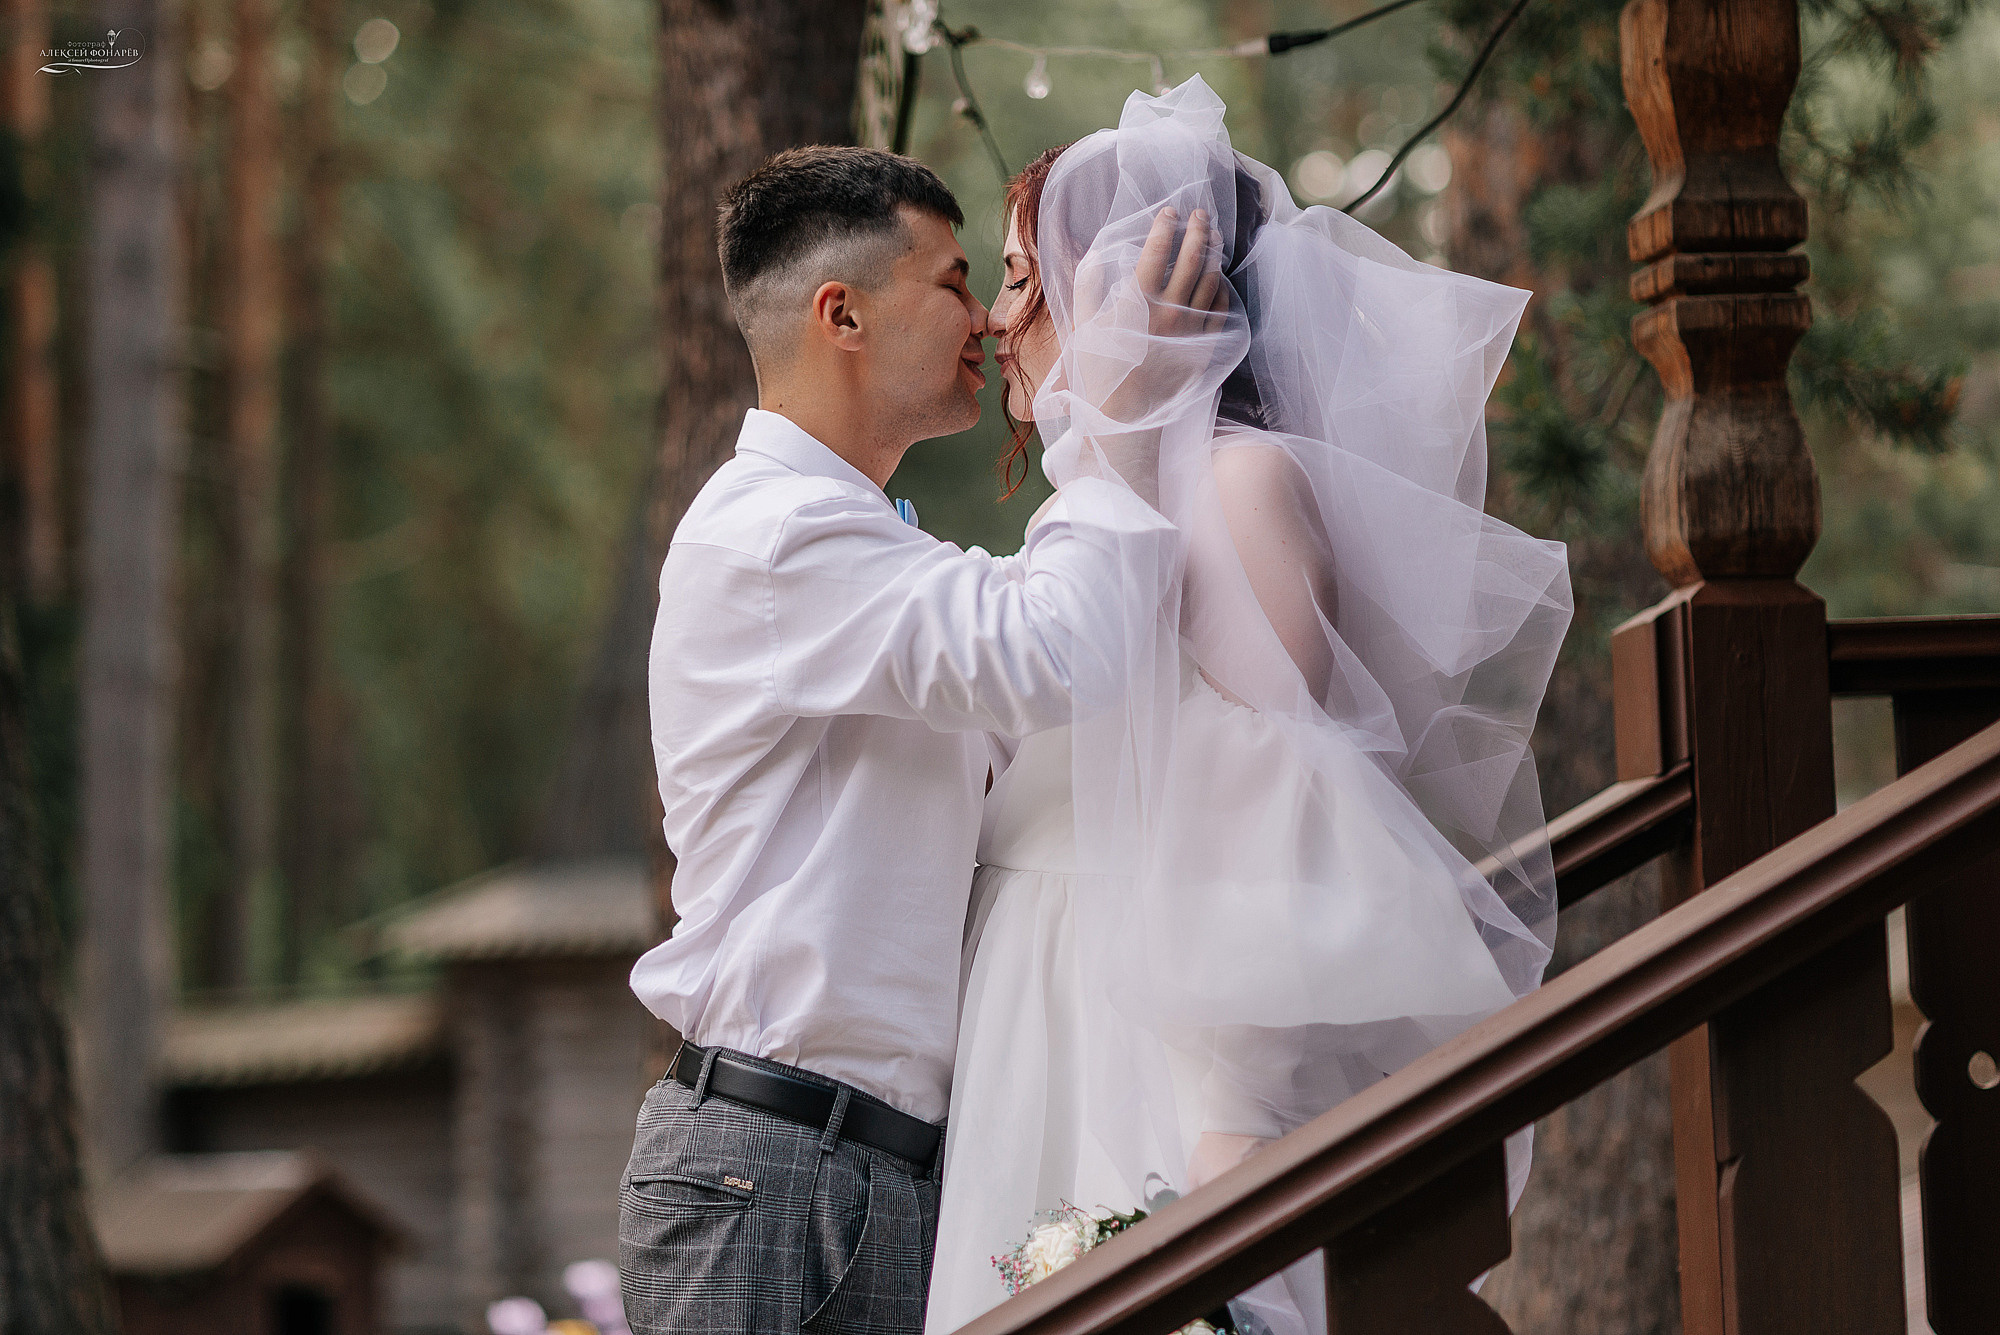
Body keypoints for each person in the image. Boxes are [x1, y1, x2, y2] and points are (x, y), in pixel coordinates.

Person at [924, 78, 1573, 1335]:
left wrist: (1223, 1157)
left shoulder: (1237, 483)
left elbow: (1289, 804)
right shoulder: (1089, 508)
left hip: (1147, 1048)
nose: (998, 320)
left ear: (1128, 281)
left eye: (1020, 278)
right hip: (1035, 1017)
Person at [618, 145, 1224, 1335]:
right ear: (841, 314)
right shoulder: (776, 537)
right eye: (953, 283)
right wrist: (1123, 409)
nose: (990, 320)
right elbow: (1052, 650)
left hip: (860, 1168)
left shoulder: (863, 543)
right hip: (774, 1175)